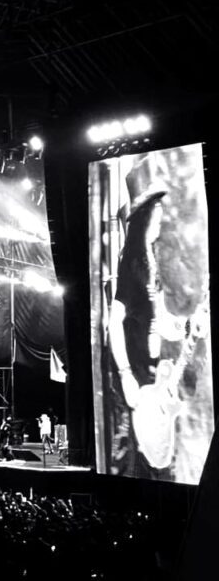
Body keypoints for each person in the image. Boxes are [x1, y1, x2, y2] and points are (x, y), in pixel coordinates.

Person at [106, 152, 211, 481]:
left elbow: (159, 317)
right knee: (149, 460)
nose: (163, 215)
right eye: (157, 210)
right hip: (138, 374)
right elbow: (114, 320)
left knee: (163, 456)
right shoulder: (132, 263)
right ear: (145, 216)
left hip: (156, 374)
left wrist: (183, 327)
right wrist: (125, 374)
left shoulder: (154, 257)